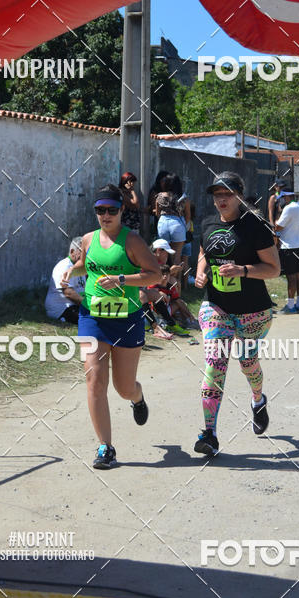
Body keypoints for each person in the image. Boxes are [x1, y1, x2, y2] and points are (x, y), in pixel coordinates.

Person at [61, 184, 161, 469]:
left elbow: (154, 275)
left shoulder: (133, 242)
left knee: (124, 387)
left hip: (127, 320)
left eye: (112, 210)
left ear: (121, 211)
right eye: (100, 210)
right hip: (92, 316)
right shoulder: (89, 239)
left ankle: (138, 398)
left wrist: (122, 280)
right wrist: (73, 269)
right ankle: (106, 447)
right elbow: (85, 264)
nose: (106, 216)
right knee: (95, 381)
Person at [194, 171, 281, 456]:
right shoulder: (207, 222)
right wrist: (201, 273)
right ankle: (209, 434)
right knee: (214, 363)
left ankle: (258, 400)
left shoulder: (254, 226)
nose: (221, 199)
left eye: (227, 194)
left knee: (247, 362)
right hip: (216, 306)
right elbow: (204, 251)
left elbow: (273, 269)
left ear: (239, 196)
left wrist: (243, 271)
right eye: (217, 194)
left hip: (253, 312)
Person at [44, 237, 85, 324]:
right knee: (92, 320)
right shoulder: (64, 266)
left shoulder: (80, 268)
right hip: (62, 308)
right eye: (82, 252)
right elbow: (68, 293)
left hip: (75, 305)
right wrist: (88, 305)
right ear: (72, 252)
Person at [154, 174, 186, 267]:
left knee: (163, 254)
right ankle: (177, 280)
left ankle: (165, 279)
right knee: (177, 256)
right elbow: (186, 215)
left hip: (163, 223)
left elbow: (157, 213)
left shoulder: (159, 196)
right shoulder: (182, 197)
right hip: (177, 223)